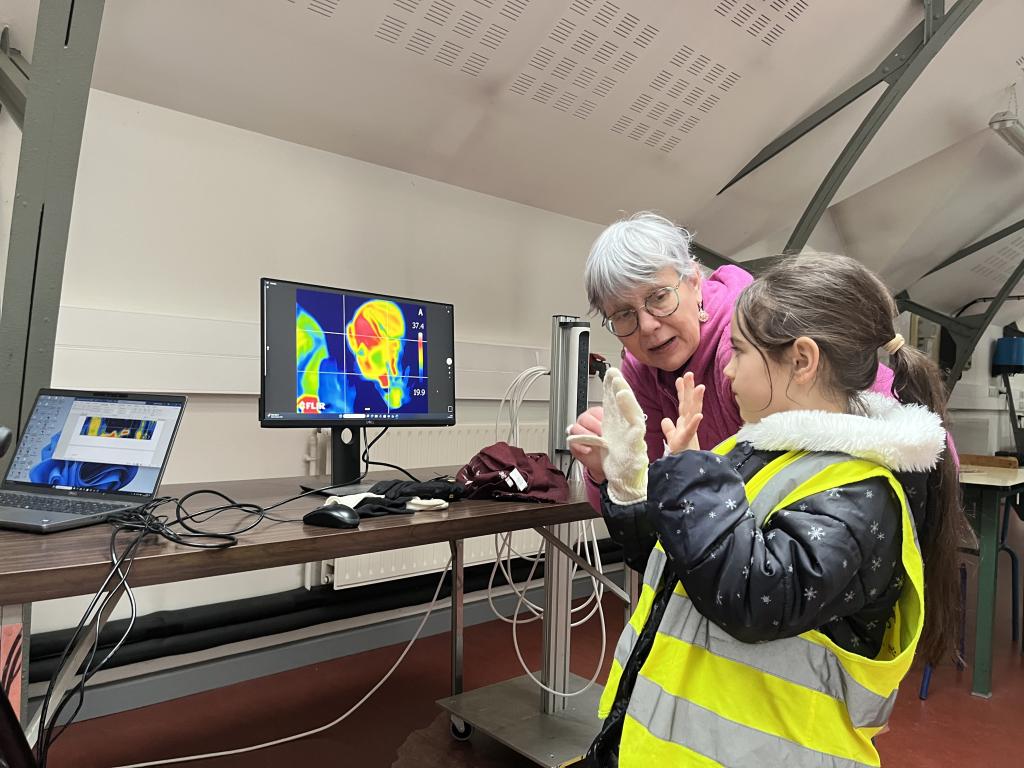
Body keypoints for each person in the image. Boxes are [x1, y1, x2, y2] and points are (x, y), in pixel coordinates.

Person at [568, 253, 967, 768]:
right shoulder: (755, 453)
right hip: (664, 742)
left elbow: (755, 597)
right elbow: (677, 562)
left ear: (801, 360)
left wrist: (688, 471)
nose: (727, 368)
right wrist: (627, 484)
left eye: (738, 351)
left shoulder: (862, 492)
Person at [568, 213, 896, 572]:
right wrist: (609, 472)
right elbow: (650, 515)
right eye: (623, 315)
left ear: (693, 279)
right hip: (742, 561)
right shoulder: (639, 369)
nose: (647, 326)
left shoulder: (753, 351)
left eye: (660, 297)